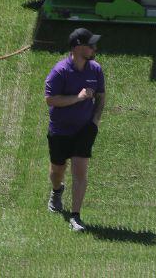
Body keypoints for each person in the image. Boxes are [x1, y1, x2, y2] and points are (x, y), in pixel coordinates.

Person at [45, 28, 106, 231]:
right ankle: (56, 190)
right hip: (60, 130)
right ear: (78, 47)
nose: (95, 48)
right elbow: (51, 99)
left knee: (80, 171)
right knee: (57, 170)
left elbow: (101, 96)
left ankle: (76, 216)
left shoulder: (95, 69)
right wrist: (77, 98)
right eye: (91, 45)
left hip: (84, 129)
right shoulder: (60, 71)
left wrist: (95, 120)